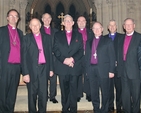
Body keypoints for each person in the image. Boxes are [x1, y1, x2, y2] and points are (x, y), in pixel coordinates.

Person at [22, 18, 53, 113]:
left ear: (40, 26)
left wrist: (51, 69)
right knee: (32, 94)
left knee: (43, 94)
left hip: (44, 68)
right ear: (30, 27)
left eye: (37, 25)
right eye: (33, 25)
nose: (35, 27)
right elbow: (23, 57)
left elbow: (49, 54)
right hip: (31, 70)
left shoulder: (47, 37)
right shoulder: (26, 38)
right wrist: (25, 73)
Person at [53, 14, 83, 113]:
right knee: (64, 90)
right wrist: (64, 60)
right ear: (63, 23)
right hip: (62, 67)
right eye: (66, 21)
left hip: (74, 66)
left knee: (73, 90)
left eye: (70, 20)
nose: (68, 22)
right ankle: (65, 109)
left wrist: (72, 59)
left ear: (73, 23)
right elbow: (56, 50)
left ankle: (74, 109)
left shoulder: (79, 35)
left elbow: (80, 50)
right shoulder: (57, 35)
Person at [85, 22, 115, 113]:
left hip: (103, 69)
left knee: (105, 91)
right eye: (95, 28)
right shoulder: (89, 42)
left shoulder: (107, 40)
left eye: (99, 28)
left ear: (102, 29)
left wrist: (111, 70)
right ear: (92, 30)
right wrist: (87, 70)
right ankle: (96, 109)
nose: (97, 30)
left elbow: (112, 56)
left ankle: (105, 109)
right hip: (91, 69)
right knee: (94, 91)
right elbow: (86, 57)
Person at [0, 9, 23, 113]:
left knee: (12, 92)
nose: (14, 18)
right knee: (2, 92)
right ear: (7, 18)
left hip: (17, 67)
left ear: (18, 19)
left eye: (16, 16)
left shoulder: (20, 33)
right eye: (11, 16)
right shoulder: (1, 31)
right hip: (5, 66)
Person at [118, 18, 141, 113]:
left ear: (134, 25)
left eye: (130, 24)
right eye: (126, 25)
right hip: (123, 72)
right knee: (125, 97)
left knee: (136, 97)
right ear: (123, 27)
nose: (128, 26)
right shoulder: (120, 39)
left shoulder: (139, 37)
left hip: (135, 72)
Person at [105, 20, 122, 113]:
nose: (112, 27)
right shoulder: (104, 38)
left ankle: (119, 107)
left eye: (114, 25)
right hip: (107, 68)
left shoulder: (121, 37)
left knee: (119, 89)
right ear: (108, 27)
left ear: (116, 26)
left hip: (118, 68)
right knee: (109, 89)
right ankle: (110, 106)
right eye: (110, 25)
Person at [41, 13, 58, 103]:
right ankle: (44, 95)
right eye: (45, 18)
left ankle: (52, 96)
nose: (47, 20)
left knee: (53, 78)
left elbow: (58, 44)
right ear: (42, 19)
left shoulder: (56, 31)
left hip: (53, 57)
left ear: (51, 20)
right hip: (43, 57)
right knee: (43, 78)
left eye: (48, 18)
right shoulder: (38, 30)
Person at [76, 16, 92, 102]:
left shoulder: (91, 32)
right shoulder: (74, 33)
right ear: (77, 22)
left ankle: (89, 94)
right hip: (78, 57)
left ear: (86, 22)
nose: (81, 22)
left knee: (88, 75)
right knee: (78, 75)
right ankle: (78, 94)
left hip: (88, 56)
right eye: (79, 21)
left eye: (83, 21)